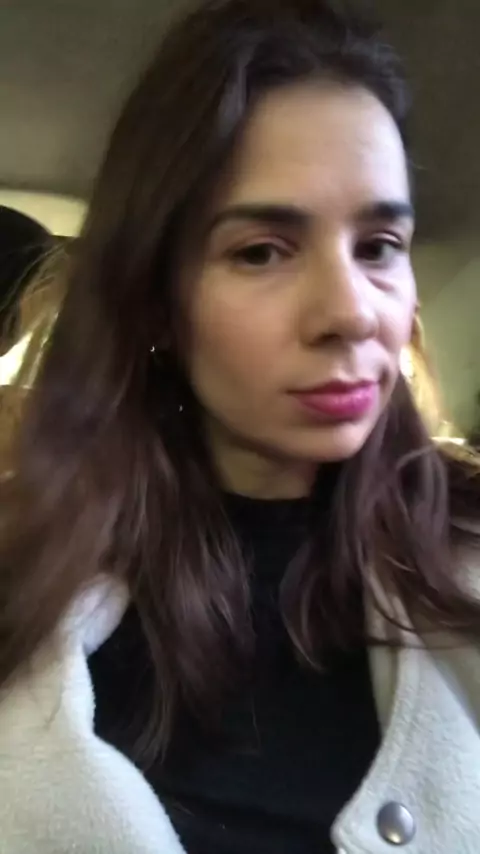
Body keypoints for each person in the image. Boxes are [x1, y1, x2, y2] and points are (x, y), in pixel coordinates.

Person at [0, 0, 479, 852]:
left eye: (378, 246)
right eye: (261, 251)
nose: (351, 314)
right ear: (156, 301)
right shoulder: (23, 561)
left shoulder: (463, 551)